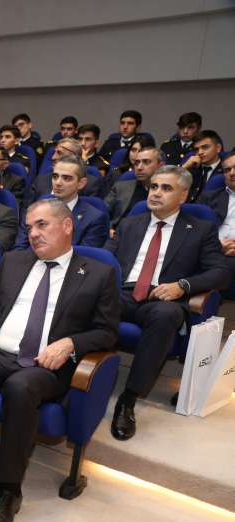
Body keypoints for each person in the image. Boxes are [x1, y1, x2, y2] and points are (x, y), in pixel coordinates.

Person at [0, 199, 120, 522]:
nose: (33, 234)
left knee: (20, 387)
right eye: (29, 228)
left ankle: (8, 490)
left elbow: (107, 332)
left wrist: (71, 344)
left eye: (42, 225)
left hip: (46, 366)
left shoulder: (98, 273)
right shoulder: (13, 261)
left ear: (67, 226)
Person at [105, 166, 229, 441]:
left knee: (165, 316)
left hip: (163, 298)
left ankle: (128, 399)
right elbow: (105, 259)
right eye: (154, 186)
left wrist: (182, 286)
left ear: (183, 195)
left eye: (166, 188)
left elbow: (220, 272)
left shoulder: (200, 229)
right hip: (123, 292)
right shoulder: (129, 224)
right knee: (85, 301)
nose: (156, 193)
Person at [14, 155, 108, 249]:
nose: (58, 183)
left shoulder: (94, 218)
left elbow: (84, 256)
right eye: (55, 176)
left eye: (66, 178)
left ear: (81, 183)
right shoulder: (38, 206)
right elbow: (20, 246)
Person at [104, 147, 165, 231]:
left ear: (160, 166)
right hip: (118, 234)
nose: (139, 167)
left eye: (146, 162)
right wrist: (109, 228)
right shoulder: (120, 187)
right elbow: (102, 212)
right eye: (137, 163)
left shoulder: (168, 192)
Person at [199, 153, 235, 278]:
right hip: (211, 251)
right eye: (227, 170)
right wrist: (216, 246)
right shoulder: (209, 197)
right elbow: (193, 230)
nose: (232, 173)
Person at [30, 138, 103, 200]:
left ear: (74, 156)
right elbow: (27, 207)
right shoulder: (41, 180)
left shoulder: (90, 185)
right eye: (54, 152)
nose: (53, 157)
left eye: (59, 153)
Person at [182, 130, 224, 201]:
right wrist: (184, 167)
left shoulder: (227, 170)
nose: (200, 152)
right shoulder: (191, 168)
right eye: (196, 149)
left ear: (218, 148)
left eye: (205, 147)